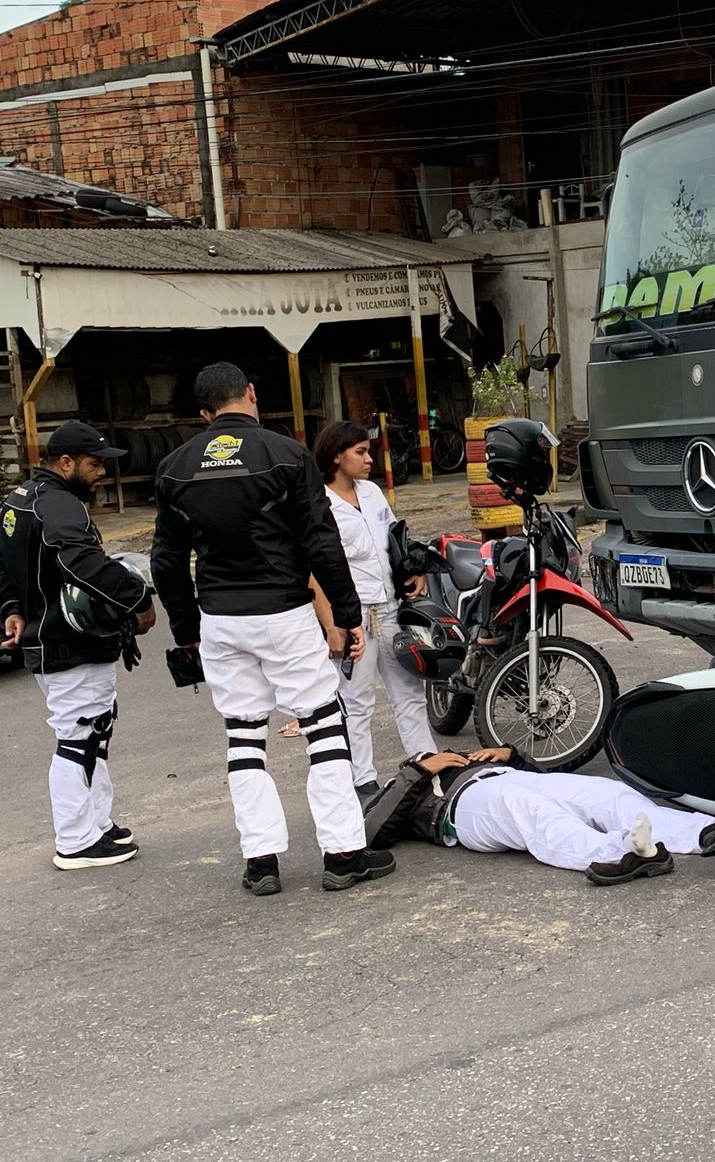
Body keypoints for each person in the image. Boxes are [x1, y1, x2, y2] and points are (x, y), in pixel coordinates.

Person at [151, 362, 395, 897]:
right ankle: (343, 854)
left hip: (219, 618)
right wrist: (350, 618)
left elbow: (167, 562)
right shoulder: (287, 454)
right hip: (283, 612)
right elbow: (321, 542)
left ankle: (261, 862)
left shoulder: (174, 466)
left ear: (204, 412)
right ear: (252, 395)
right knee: (324, 726)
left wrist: (187, 629)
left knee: (244, 735)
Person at [0, 421, 157, 869]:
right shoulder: (59, 504)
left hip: (53, 640)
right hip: (68, 642)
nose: (102, 473)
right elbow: (83, 559)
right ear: (65, 462)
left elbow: (3, 561)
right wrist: (138, 599)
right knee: (78, 738)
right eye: (94, 464)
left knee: (94, 731)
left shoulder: (19, 500)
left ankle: (97, 825)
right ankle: (75, 840)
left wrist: (11, 607)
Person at [362, 745, 715, 885]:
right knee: (529, 811)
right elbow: (373, 830)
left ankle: (705, 833)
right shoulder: (407, 783)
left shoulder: (477, 760)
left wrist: (511, 755)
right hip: (465, 807)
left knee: (606, 792)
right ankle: (623, 853)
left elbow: (543, 776)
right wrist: (419, 770)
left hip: (504, 774)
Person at [310, 420, 436, 798]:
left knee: (410, 692)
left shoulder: (373, 493)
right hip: (355, 615)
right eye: (360, 452)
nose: (369, 459)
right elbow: (313, 570)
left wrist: (416, 573)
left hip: (393, 610)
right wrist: (332, 623)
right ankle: (362, 780)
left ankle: (428, 765)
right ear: (337, 456)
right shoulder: (319, 504)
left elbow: (395, 541)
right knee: (357, 700)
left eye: (369, 451)